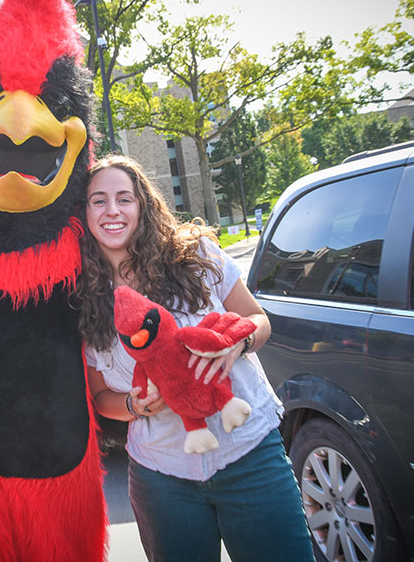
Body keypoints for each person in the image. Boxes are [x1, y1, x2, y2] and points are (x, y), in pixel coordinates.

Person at [76, 155, 314, 562]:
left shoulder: (193, 254)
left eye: (124, 198)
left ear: (143, 205)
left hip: (250, 454)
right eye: (98, 201)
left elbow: (258, 320)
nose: (112, 210)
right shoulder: (83, 301)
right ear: (84, 214)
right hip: (161, 478)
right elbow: (101, 399)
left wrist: (237, 344)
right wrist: (135, 405)